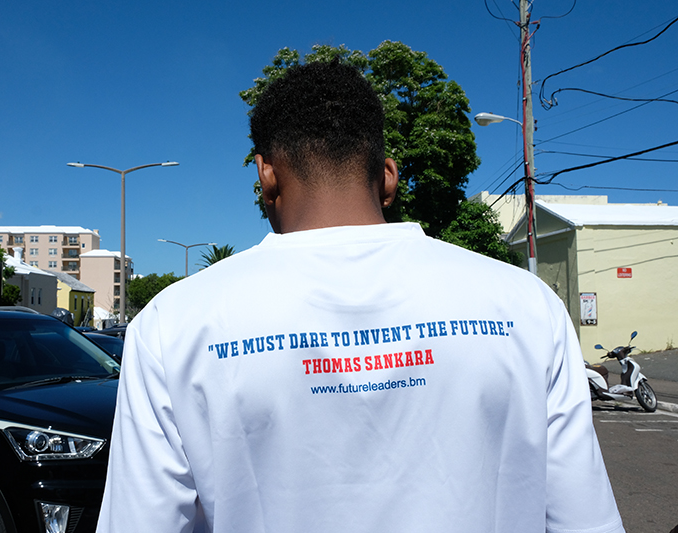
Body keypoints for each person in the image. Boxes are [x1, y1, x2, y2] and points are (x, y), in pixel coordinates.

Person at [96, 60, 624, 533]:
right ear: (388, 176)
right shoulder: (528, 307)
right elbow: (584, 519)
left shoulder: (171, 326)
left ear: (266, 174)